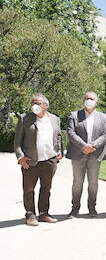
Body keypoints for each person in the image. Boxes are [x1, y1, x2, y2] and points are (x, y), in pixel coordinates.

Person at [14, 93, 63, 226]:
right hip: (30, 160)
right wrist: (21, 157)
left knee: (46, 188)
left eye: (38, 103)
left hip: (49, 160)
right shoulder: (25, 119)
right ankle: (30, 215)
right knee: (28, 189)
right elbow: (17, 142)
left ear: (46, 105)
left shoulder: (55, 119)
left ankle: (43, 214)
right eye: (33, 103)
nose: (34, 106)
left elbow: (58, 136)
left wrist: (59, 152)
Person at [66, 92, 106, 218]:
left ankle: (92, 208)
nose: (89, 100)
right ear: (83, 101)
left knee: (93, 182)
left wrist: (93, 145)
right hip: (78, 153)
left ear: (97, 102)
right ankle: (75, 209)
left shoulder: (103, 117)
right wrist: (83, 146)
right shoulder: (74, 115)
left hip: (95, 154)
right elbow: (70, 132)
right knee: (77, 182)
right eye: (87, 98)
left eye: (92, 98)